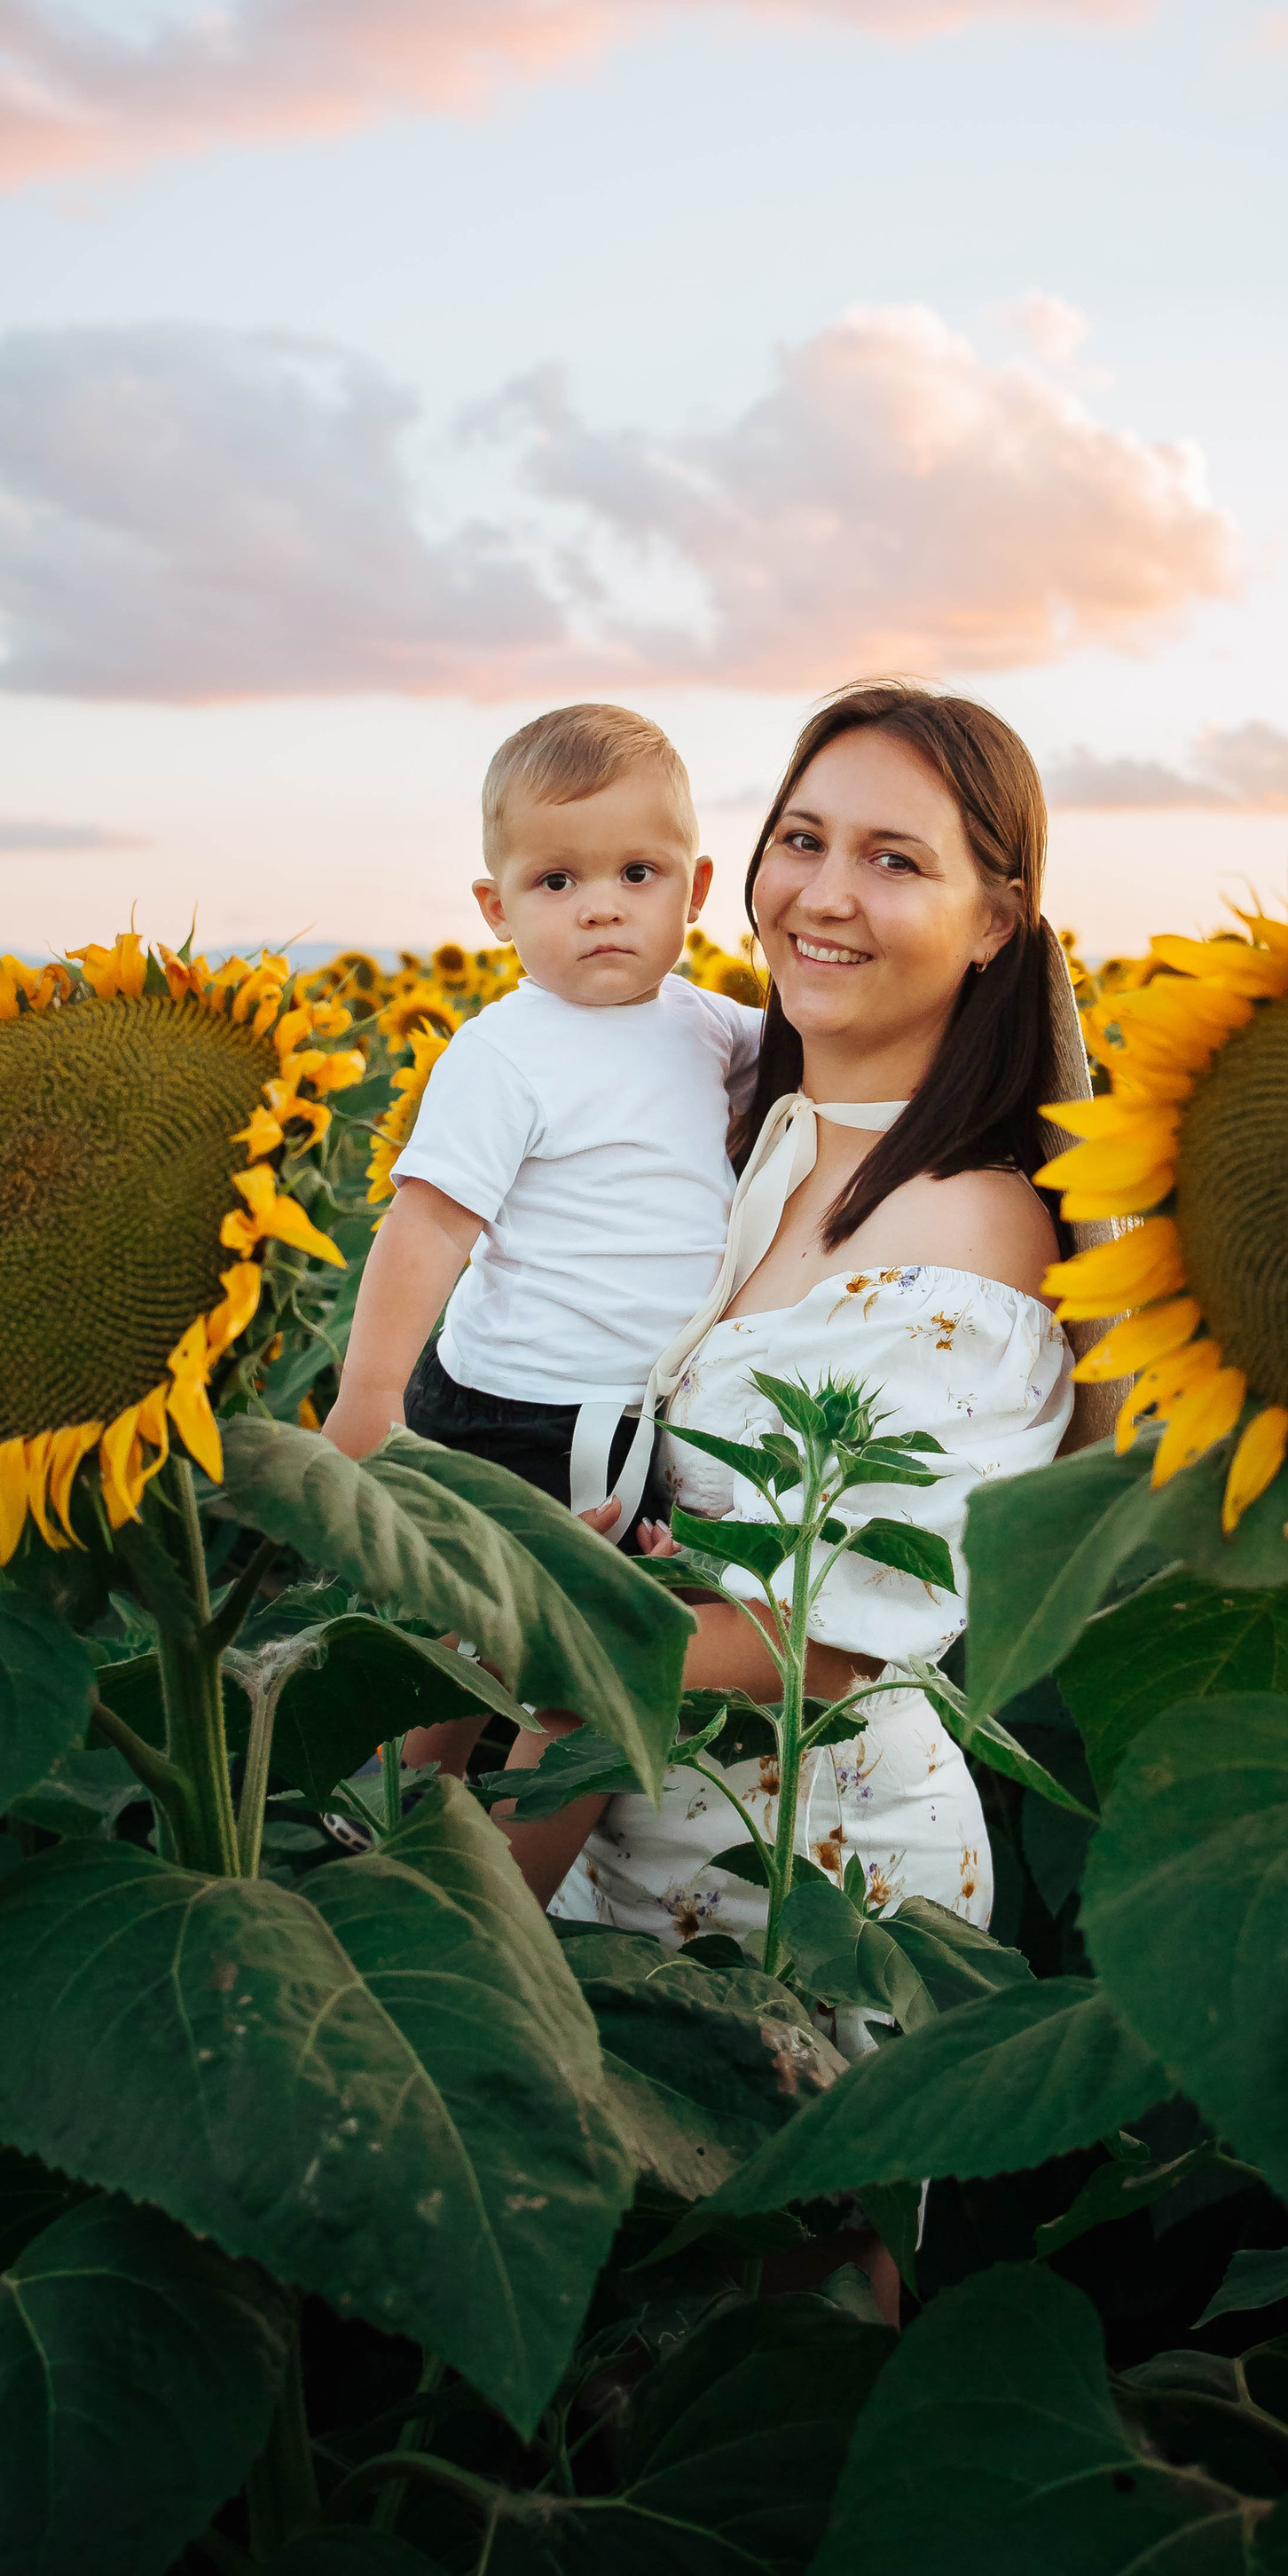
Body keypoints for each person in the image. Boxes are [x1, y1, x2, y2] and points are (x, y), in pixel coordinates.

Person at [490, 677, 1091, 1947]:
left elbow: (832, 1634)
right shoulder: (723, 1129)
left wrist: (539, 1613)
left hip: (801, 1894)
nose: (823, 894)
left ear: (995, 921)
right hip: (613, 1849)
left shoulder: (968, 1231)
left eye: (894, 860)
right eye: (803, 840)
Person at [324, 704, 760, 1530]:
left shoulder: (709, 1025)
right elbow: (430, 1226)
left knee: (628, 1589)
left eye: (638, 873)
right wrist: (371, 1392)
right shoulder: (504, 1054)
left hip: (643, 1405)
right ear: (497, 909)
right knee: (506, 1594)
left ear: (696, 890)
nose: (601, 908)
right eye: (557, 881)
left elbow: (822, 1064)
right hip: (520, 1409)